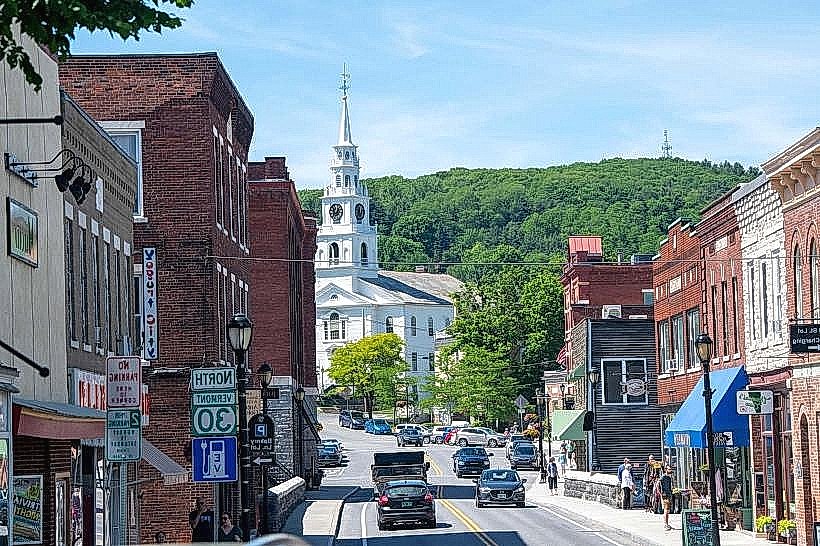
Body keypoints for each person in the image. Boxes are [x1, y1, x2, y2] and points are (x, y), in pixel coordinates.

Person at [660, 467, 674, 531]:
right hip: (665, 495)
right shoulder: (663, 477)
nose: (670, 470)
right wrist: (661, 493)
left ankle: (667, 523)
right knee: (666, 509)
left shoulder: (669, 477)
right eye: (669, 469)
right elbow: (658, 485)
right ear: (666, 470)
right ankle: (666, 524)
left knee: (667, 510)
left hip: (668, 494)